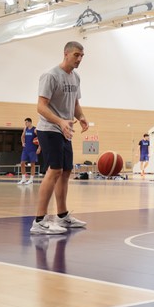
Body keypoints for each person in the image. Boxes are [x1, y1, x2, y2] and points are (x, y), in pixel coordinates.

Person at [31, 41, 90, 235]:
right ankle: (39, 221)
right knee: (54, 170)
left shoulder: (76, 78)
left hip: (65, 130)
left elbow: (75, 104)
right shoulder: (50, 76)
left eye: (82, 55)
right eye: (76, 55)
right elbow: (40, 107)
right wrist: (60, 121)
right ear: (66, 54)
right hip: (49, 129)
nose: (79, 59)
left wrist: (81, 117)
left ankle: (62, 216)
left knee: (65, 172)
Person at [18, 118, 39, 185]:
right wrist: (22, 143)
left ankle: (31, 179)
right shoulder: (25, 129)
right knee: (22, 163)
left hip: (32, 149)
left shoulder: (35, 129)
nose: (25, 124)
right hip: (26, 149)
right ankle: (23, 179)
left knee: (32, 164)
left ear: (30, 122)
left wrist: (39, 147)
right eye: (25, 122)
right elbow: (22, 136)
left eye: (26, 122)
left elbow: (40, 138)